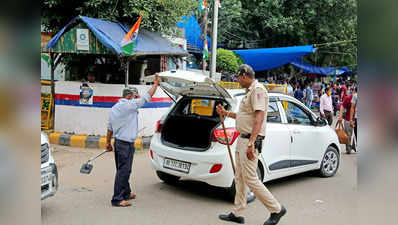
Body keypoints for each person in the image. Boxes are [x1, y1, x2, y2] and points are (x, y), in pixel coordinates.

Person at [218, 64, 286, 225]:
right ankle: (237, 212)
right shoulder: (249, 92)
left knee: (250, 178)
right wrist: (226, 113)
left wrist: (252, 142)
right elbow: (244, 116)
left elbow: (259, 118)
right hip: (242, 139)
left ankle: (276, 209)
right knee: (240, 178)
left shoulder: (258, 90)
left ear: (244, 75)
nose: (237, 81)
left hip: (250, 140)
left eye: (238, 77)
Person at [106, 73, 160, 207]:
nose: (136, 99)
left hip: (118, 142)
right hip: (125, 144)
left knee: (123, 169)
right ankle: (117, 199)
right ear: (129, 96)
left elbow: (109, 128)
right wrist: (156, 84)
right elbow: (147, 97)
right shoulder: (129, 105)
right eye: (135, 96)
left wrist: (108, 143)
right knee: (124, 171)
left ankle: (126, 192)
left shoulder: (114, 109)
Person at [338, 87, 354, 153]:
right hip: (348, 119)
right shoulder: (349, 98)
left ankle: (353, 147)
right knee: (348, 135)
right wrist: (340, 117)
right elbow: (342, 106)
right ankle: (348, 149)